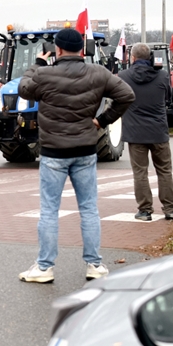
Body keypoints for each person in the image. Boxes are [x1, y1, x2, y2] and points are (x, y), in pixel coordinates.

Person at [17, 27, 134, 283]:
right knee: (89, 208)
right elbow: (127, 95)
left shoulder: (45, 74)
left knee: (49, 210)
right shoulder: (98, 73)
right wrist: (102, 121)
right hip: (85, 150)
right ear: (82, 49)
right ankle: (94, 265)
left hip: (53, 152)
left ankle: (45, 268)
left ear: (57, 49)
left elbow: (24, 89)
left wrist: (38, 63)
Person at [116, 43, 173, 221]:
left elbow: (118, 99)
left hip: (135, 133)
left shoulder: (123, 76)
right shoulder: (163, 75)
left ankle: (145, 210)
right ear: (150, 57)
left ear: (133, 58)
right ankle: (170, 209)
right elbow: (168, 97)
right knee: (164, 170)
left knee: (140, 172)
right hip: (158, 131)